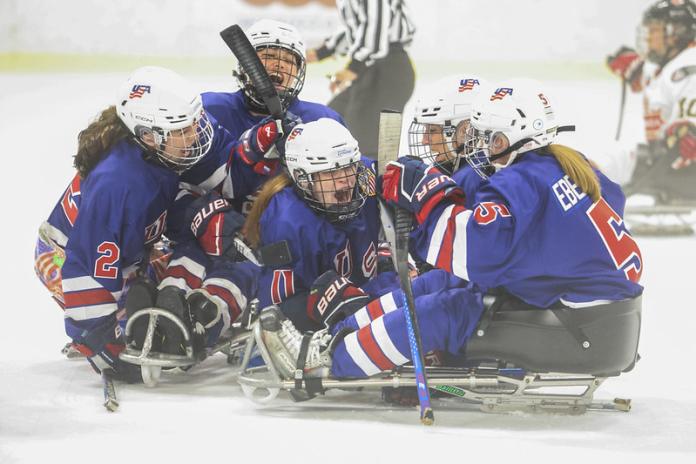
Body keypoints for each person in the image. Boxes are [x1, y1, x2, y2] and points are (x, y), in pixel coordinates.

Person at [255, 80, 644, 382]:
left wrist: (426, 195)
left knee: (447, 310)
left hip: (577, 329)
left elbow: (474, 252)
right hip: (599, 316)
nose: (476, 145)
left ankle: (323, 362)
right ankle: (336, 334)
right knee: (445, 280)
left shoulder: (524, 181)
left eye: (487, 137)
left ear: (511, 139)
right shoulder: (570, 164)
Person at [34, 66, 260, 380]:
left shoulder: (157, 154)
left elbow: (163, 204)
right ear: (148, 135)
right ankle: (150, 312)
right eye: (183, 129)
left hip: (124, 254)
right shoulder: (117, 184)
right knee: (148, 334)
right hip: (64, 259)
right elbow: (85, 267)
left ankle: (172, 302)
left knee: (211, 247)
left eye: (194, 123)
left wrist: (205, 215)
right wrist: (100, 344)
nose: (195, 134)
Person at [243, 118, 399, 332]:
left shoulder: (365, 179)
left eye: (349, 168)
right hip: (320, 324)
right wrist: (325, 303)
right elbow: (280, 309)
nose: (345, 180)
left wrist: (389, 260)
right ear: (303, 178)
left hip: (367, 291)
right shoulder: (288, 221)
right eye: (331, 172)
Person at [199, 19, 345, 215]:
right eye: (268, 56)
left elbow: (346, 188)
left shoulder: (322, 120)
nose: (279, 65)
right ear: (244, 63)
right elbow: (187, 183)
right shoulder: (211, 109)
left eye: (289, 60)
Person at [606, 0, 696, 202]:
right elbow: (656, 79)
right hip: (670, 162)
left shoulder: (689, 66)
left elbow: (690, 134)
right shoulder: (672, 64)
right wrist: (636, 70)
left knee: (610, 159)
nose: (648, 36)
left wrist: (688, 130)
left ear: (675, 33)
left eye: (654, 30)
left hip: (683, 169)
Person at [307, 0, 416, 157]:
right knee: (329, 123)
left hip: (388, 71)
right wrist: (321, 52)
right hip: (371, 68)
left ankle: (375, 180)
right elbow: (359, 29)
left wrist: (353, 68)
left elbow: (376, 29)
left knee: (365, 146)